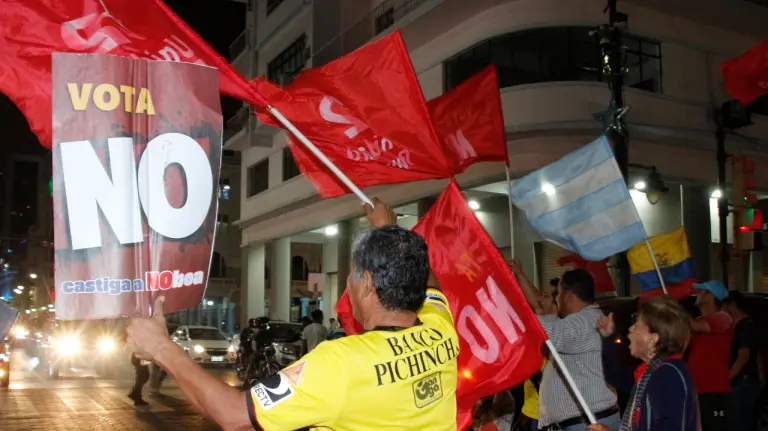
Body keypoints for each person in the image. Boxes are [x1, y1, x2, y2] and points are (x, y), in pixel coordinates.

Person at [125, 198, 459, 430]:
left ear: (368, 284)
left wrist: (160, 347)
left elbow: (233, 416)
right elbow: (431, 282)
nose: (347, 282)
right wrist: (389, 234)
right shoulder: (439, 326)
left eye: (352, 273)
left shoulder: (340, 364)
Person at [511, 261, 619, 430]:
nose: (555, 299)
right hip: (581, 423)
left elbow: (553, 335)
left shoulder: (588, 320)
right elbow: (540, 304)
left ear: (567, 296)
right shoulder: (575, 320)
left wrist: (533, 314)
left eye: (557, 295)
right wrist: (519, 275)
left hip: (587, 424)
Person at [590, 295, 700, 431]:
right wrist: (608, 338)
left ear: (653, 339)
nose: (630, 329)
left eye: (636, 325)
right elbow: (616, 377)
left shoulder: (668, 375)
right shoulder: (651, 371)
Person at [687, 280, 732, 431]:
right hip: (696, 390)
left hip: (714, 391)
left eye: (701, 292)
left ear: (710, 296)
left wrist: (674, 308)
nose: (696, 294)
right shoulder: (699, 320)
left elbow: (695, 326)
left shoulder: (723, 317)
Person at [521, 277, 559, 431]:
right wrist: (519, 274)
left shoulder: (558, 335)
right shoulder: (540, 329)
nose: (540, 299)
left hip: (549, 419)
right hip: (534, 413)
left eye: (546, 296)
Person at [723, 290, 760, 431]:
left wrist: (728, 378)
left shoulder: (745, 326)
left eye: (724, 306)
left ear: (732, 305)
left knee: (738, 423)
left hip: (743, 383)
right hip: (744, 382)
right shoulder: (740, 326)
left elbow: (743, 355)